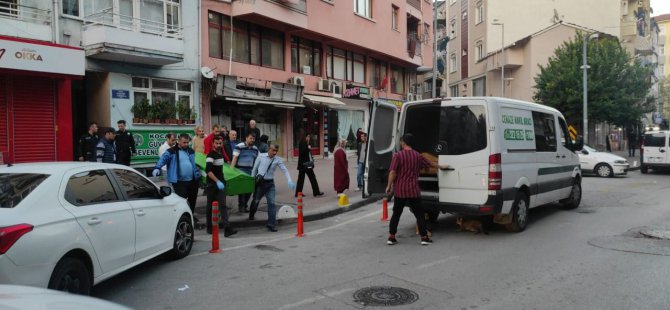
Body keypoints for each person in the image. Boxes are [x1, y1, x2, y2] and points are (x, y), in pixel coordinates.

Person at [386, 133, 448, 246]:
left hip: (400, 190)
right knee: (419, 214)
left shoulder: (398, 156)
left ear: (403, 143)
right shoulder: (417, 156)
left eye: (401, 142)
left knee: (396, 214)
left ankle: (392, 236)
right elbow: (430, 164)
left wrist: (389, 186)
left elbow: (393, 172)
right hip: (413, 190)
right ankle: (424, 237)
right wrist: (442, 167)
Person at [153, 134, 202, 225]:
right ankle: (181, 219)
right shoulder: (171, 151)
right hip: (179, 181)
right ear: (178, 142)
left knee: (192, 200)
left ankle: (190, 217)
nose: (186, 144)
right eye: (184, 142)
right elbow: (163, 159)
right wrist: (157, 167)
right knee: (181, 201)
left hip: (192, 181)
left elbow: (196, 162)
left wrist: (198, 174)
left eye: (188, 142)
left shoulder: (190, 151)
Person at [249, 144, 296, 231]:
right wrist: (252, 182)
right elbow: (254, 169)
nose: (274, 153)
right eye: (273, 150)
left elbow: (284, 170)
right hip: (260, 183)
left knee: (271, 203)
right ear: (269, 149)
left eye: (276, 151)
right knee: (256, 201)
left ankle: (271, 224)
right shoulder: (261, 156)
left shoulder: (277, 160)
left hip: (270, 184)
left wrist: (289, 180)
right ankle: (251, 215)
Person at [205, 135, 237, 237]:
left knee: (223, 206)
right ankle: (209, 227)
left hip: (220, 184)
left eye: (220, 143)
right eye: (217, 143)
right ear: (213, 144)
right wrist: (217, 181)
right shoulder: (210, 155)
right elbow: (208, 171)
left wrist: (223, 181)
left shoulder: (220, 154)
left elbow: (220, 170)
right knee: (210, 206)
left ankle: (227, 229)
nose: (219, 145)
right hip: (212, 184)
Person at [231, 132, 259, 213]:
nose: (252, 140)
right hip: (240, 171)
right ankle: (241, 206)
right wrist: (232, 171)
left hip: (251, 171)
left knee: (250, 189)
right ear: (246, 138)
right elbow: (234, 158)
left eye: (253, 139)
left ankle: (245, 205)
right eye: (250, 138)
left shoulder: (255, 148)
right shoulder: (239, 146)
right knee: (242, 190)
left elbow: (257, 160)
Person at [295, 133, 324, 197]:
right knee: (304, 179)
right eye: (307, 136)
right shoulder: (302, 143)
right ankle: (299, 193)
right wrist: (308, 148)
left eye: (309, 136)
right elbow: (302, 152)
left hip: (306, 164)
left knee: (309, 178)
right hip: (304, 164)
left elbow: (307, 153)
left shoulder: (306, 143)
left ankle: (315, 192)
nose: (308, 138)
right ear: (304, 137)